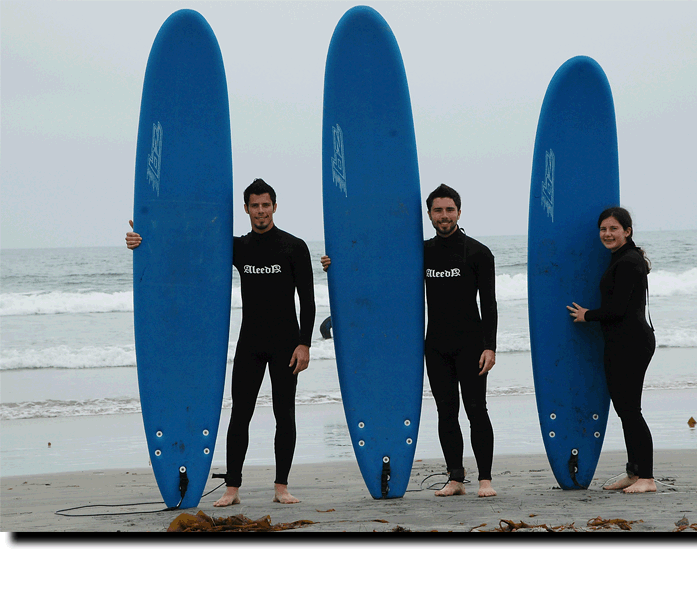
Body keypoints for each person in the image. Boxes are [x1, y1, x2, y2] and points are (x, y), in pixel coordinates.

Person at [127, 178, 316, 507]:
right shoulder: (238, 248)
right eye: (254, 206)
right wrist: (145, 235)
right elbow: (189, 244)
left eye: (265, 205)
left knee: (284, 414)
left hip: (286, 343)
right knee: (239, 414)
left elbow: (308, 300)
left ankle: (281, 486)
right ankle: (232, 488)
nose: (260, 211)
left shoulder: (294, 246)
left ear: (275, 206)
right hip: (251, 343)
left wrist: (305, 343)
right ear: (245, 209)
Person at [321, 183, 498, 498]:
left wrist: (490, 346)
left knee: (476, 410)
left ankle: (485, 479)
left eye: (449, 209)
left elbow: (490, 304)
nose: (443, 216)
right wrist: (337, 264)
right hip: (436, 345)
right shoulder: (422, 253)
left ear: (459, 211)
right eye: (437, 210)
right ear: (429, 214)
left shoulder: (478, 253)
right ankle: (455, 478)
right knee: (446, 411)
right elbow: (379, 269)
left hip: (471, 345)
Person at [567, 207, 657, 494]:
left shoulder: (629, 262)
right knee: (625, 410)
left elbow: (618, 309)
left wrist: (587, 315)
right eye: (603, 229)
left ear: (627, 231)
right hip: (621, 342)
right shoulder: (621, 258)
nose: (607, 234)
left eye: (613, 229)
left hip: (631, 343)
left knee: (631, 411)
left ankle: (647, 478)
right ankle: (634, 472)